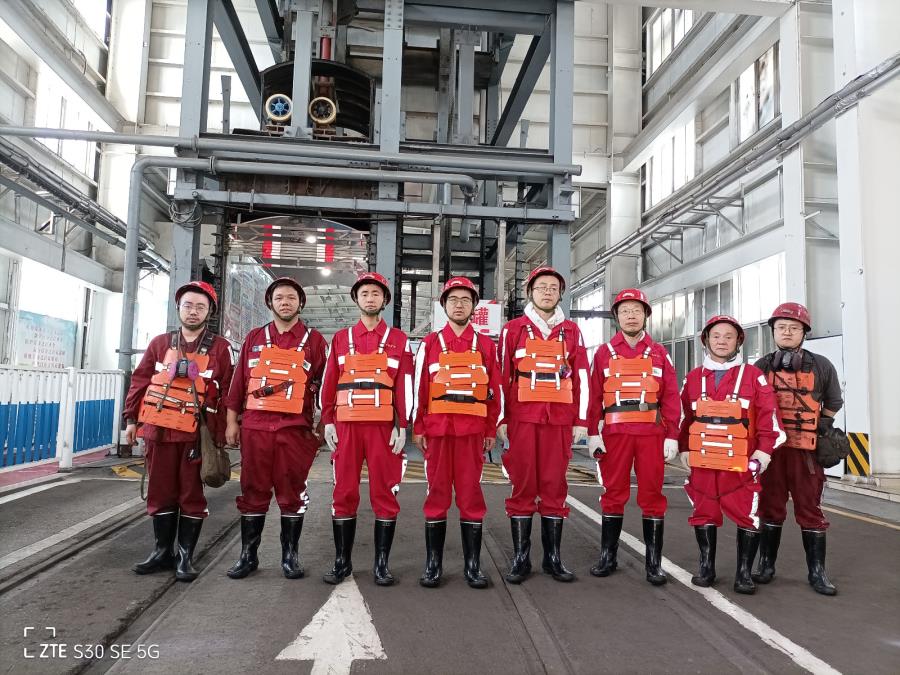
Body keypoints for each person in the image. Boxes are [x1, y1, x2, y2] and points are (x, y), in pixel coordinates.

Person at [124, 281, 233, 582]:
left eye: (200, 306)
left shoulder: (221, 348)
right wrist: (131, 419)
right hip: (158, 431)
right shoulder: (160, 344)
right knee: (160, 492)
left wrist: (225, 430)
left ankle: (185, 555)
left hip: (195, 435)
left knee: (190, 494)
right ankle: (162, 552)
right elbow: (140, 380)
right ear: (178, 308)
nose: (193, 311)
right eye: (188, 305)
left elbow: (228, 390)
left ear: (209, 311)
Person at [223, 277, 327, 579]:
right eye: (279, 297)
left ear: (300, 303)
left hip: (295, 430)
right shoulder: (254, 337)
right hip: (255, 428)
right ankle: (248, 556)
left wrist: (323, 424)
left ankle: (290, 556)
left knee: (292, 492)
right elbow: (238, 383)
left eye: (291, 297)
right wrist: (231, 422)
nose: (285, 302)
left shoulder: (315, 341)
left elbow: (327, 386)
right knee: (252, 490)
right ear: (270, 302)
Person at [319, 272, 414, 586]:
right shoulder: (341, 339)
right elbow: (329, 383)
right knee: (344, 491)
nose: (370, 298)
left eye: (376, 293)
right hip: (346, 427)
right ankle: (342, 561)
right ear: (356, 299)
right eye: (364, 293)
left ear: (384, 299)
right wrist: (328, 420)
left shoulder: (399, 340)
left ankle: (381, 564)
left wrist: (402, 425)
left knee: (384, 492)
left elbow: (404, 387)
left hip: (383, 428)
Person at [678, 315, 785, 594]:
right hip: (703, 461)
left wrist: (763, 454)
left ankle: (744, 573)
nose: (722, 341)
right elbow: (684, 418)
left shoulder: (753, 376)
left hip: (741, 463)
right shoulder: (693, 378)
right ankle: (706, 567)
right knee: (703, 512)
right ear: (706, 341)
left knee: (747, 514)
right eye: (716, 336)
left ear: (738, 341)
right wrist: (682, 447)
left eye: (729, 336)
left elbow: (770, 418)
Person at [497, 265, 590, 584]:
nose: (548, 292)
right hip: (523, 417)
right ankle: (521, 558)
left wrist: (581, 420)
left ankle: (553, 558)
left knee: (554, 483)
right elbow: (501, 377)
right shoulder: (513, 330)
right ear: (530, 293)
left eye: (553, 288)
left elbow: (581, 376)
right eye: (541, 287)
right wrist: (501, 417)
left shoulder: (572, 332)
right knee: (523, 484)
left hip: (559, 419)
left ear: (561, 294)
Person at [586, 289, 681, 585]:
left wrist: (672, 435)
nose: (631, 316)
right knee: (613, 493)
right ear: (616, 316)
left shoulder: (660, 353)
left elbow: (671, 396)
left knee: (652, 495)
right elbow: (594, 396)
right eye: (625, 311)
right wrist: (592, 433)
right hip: (615, 434)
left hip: (651, 434)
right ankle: (608, 556)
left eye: (636, 311)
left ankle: (654, 564)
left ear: (645, 316)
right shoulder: (603, 353)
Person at [411, 277, 502, 589]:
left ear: (474, 307)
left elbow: (494, 392)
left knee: (470, 495)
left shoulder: (487, 346)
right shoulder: (430, 344)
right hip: (437, 431)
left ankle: (472, 565)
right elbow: (420, 389)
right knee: (436, 495)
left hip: (472, 432)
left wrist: (490, 428)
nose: (459, 305)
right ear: (444, 306)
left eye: (465, 299)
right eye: (453, 300)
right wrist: (418, 426)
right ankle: (433, 564)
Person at [753, 303, 842, 595]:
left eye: (794, 328)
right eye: (781, 327)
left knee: (810, 509)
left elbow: (834, 401)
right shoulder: (760, 367)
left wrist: (818, 427)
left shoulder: (822, 366)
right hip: (772, 453)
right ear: (773, 332)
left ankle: (817, 572)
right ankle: (766, 565)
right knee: (769, 507)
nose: (787, 332)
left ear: (804, 332)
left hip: (806, 455)